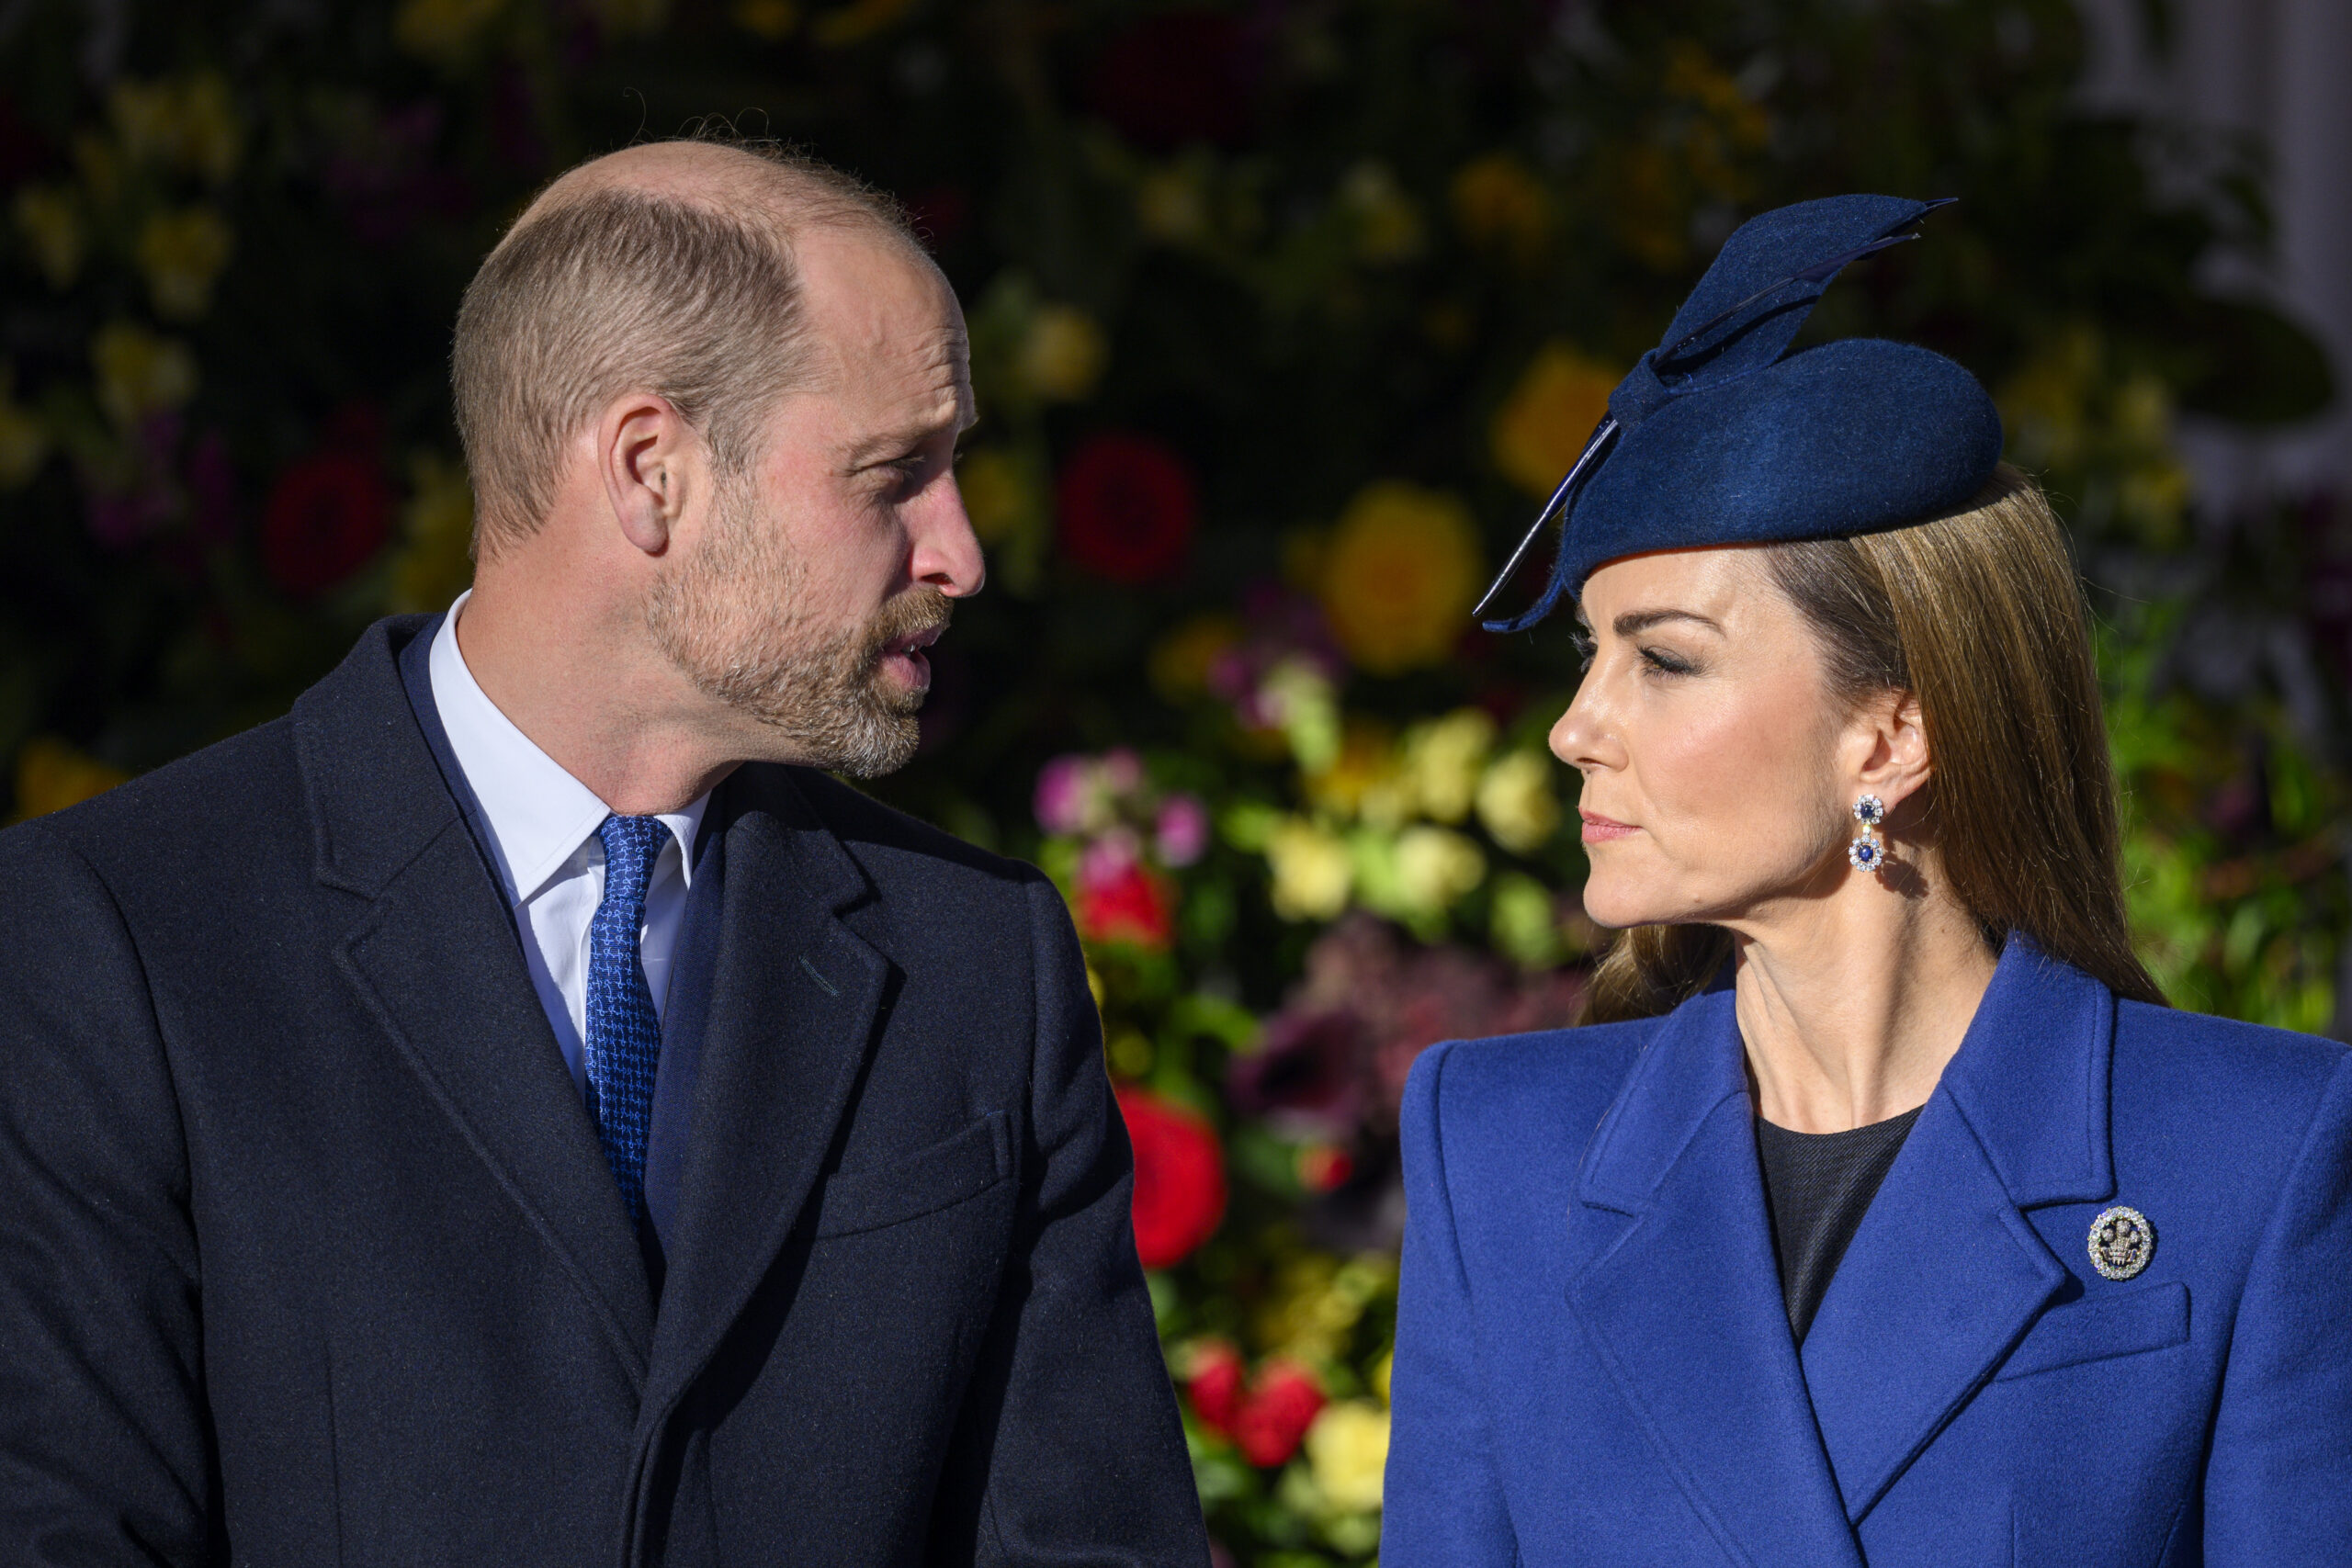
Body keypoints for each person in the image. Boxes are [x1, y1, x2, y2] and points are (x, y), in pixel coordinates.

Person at [0, 138, 1207, 1565]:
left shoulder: (975, 955)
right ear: (651, 474)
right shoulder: (116, 933)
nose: (959, 552)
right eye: (895, 474)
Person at [1381, 196, 2352, 1564]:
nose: (1574, 727)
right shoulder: (1501, 1153)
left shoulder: (2249, 1149)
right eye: (1589, 656)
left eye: (1663, 659)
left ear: (1892, 734)